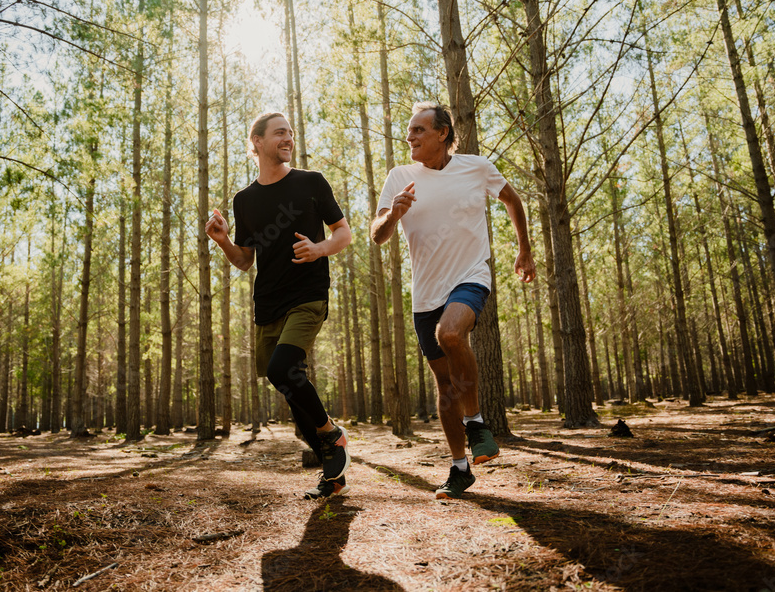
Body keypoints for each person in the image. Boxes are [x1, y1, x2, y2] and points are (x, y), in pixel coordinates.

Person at [371, 102, 535, 500]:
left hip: (469, 277)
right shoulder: (399, 177)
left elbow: (514, 201)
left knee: (452, 334)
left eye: (418, 130)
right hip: (425, 293)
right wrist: (393, 214)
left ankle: (477, 421)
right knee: (445, 389)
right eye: (409, 131)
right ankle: (460, 468)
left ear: (442, 133)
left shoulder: (477, 167)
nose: (409, 137)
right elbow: (377, 235)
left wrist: (524, 251)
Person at [206, 111, 353, 499]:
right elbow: (245, 260)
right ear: (256, 142)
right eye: (279, 133)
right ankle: (332, 476)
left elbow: (344, 233)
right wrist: (222, 240)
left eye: (290, 132)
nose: (288, 138)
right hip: (268, 302)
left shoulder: (310, 183)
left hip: (308, 294)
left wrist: (320, 248)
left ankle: (331, 435)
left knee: (283, 367)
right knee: (291, 389)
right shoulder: (245, 200)